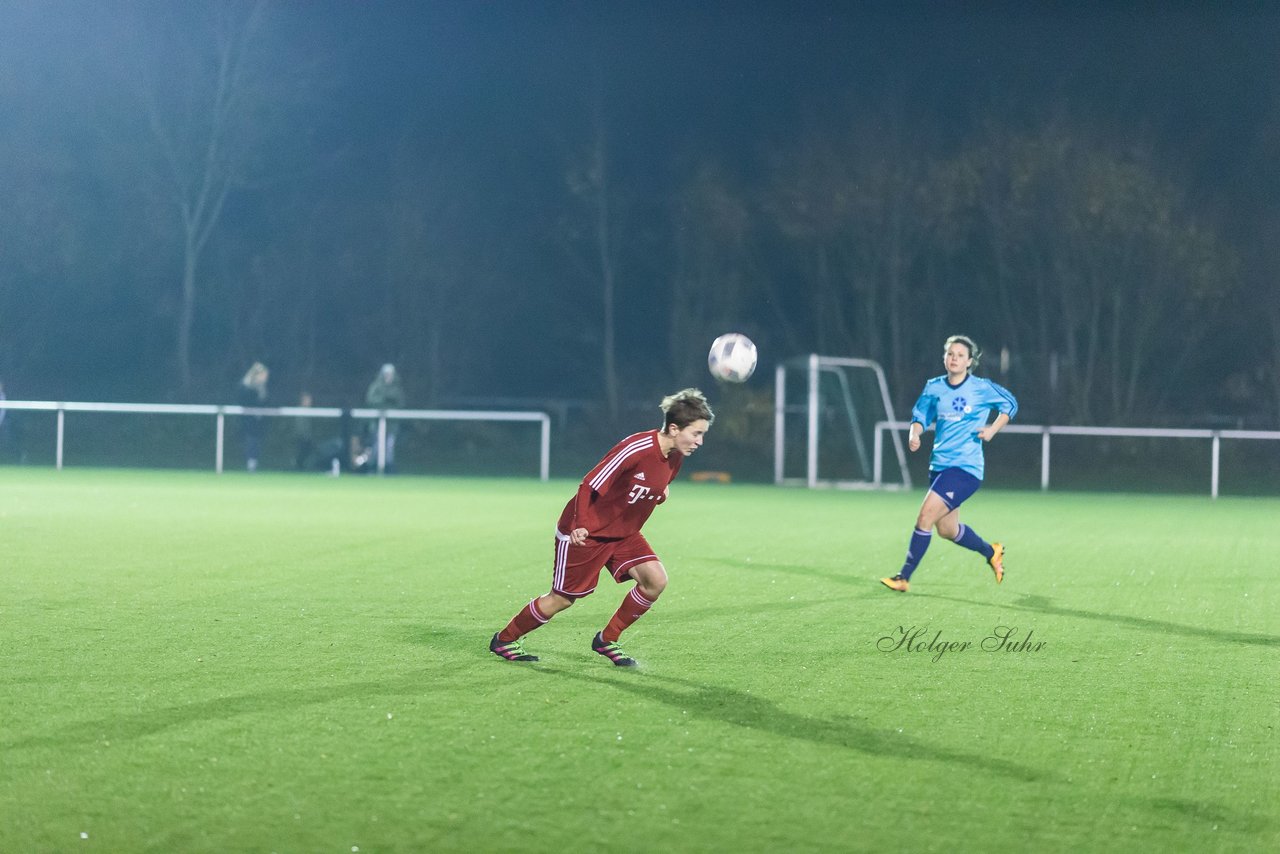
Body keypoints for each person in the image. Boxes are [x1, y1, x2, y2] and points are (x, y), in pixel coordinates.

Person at [490, 388, 715, 667]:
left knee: (655, 581)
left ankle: (607, 640)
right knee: (561, 599)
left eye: (702, 434)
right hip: (585, 533)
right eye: (696, 433)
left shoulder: (676, 457)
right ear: (673, 428)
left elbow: (652, 486)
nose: (700, 441)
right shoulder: (636, 449)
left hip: (623, 533)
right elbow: (589, 484)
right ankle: (504, 640)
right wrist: (581, 525)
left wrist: (661, 492)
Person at [881, 335, 1018, 593]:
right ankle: (991, 551)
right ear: (945, 358)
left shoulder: (981, 387)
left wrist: (992, 430)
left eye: (960, 355)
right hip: (939, 467)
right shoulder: (934, 387)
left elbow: (1010, 404)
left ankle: (904, 577)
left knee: (924, 516)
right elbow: (920, 414)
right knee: (947, 529)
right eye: (950, 354)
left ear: (969, 362)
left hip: (965, 469)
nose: (954, 358)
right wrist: (914, 433)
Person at [365, 363, 405, 472]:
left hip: (392, 423)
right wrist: (383, 400)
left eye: (390, 374)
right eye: (386, 374)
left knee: (390, 445)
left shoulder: (397, 388)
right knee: (377, 444)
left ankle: (389, 466)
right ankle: (372, 466)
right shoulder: (376, 386)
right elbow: (370, 400)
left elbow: (401, 403)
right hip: (377, 422)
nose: (388, 376)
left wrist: (392, 401)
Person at [237, 362, 270, 472]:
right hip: (247, 420)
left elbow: (266, 403)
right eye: (263, 375)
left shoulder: (263, 388)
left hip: (259, 421)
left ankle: (253, 463)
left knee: (256, 442)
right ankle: (250, 464)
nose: (265, 377)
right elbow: (243, 401)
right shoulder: (245, 385)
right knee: (250, 441)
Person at [293, 391, 317, 471]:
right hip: (301, 438)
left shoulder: (309, 411)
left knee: (309, 454)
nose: (309, 402)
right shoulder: (299, 411)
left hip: (307, 438)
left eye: (310, 400)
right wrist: (305, 436)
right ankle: (297, 467)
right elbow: (300, 427)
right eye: (307, 400)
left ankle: (304, 467)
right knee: (301, 454)